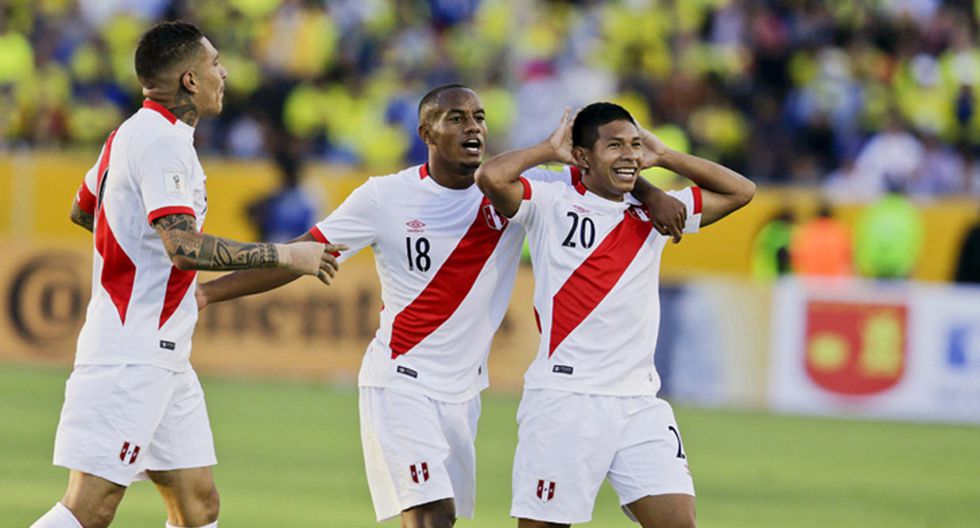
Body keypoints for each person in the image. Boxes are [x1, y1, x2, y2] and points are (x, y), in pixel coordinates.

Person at [195, 84, 689, 527]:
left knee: (443, 517)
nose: (473, 127)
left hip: (463, 393)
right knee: (430, 515)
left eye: (479, 118)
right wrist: (208, 293)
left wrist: (650, 190)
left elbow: (604, 176)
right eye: (457, 118)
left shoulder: (523, 189)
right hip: (401, 380)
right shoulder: (386, 197)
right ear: (426, 132)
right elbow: (300, 254)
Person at [32, 21, 342, 528]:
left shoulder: (129, 133)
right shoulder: (161, 141)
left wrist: (135, 246)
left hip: (164, 354)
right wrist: (288, 256)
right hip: (131, 352)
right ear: (190, 80)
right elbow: (182, 247)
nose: (225, 73)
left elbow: (84, 208)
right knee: (90, 507)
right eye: (215, 63)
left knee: (198, 506)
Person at [474, 102, 755, 527]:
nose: (629, 154)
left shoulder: (655, 212)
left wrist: (664, 157)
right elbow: (491, 177)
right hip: (565, 398)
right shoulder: (551, 197)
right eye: (615, 145)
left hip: (638, 401)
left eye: (635, 145)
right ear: (582, 156)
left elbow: (741, 191)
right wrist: (549, 149)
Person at [789, 202, 852, 277]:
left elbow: (796, 256)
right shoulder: (839, 230)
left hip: (812, 277)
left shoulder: (807, 229)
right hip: (834, 277)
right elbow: (847, 256)